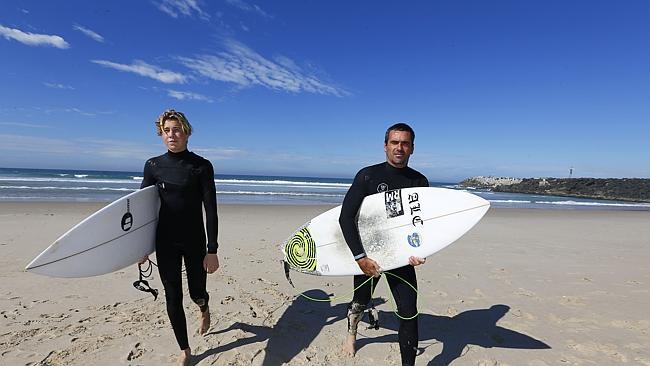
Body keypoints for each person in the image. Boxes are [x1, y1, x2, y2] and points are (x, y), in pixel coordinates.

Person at [339, 122, 429, 366]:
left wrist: (420, 252)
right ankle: (352, 333)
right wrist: (360, 257)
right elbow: (345, 217)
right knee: (360, 300)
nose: (399, 147)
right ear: (385, 146)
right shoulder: (368, 176)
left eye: (405, 143)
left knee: (409, 311)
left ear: (412, 148)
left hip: (401, 257)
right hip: (370, 254)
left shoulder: (419, 181)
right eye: (394, 142)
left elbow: (419, 226)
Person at [140, 109, 220, 366]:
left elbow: (211, 209)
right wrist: (139, 247)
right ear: (161, 135)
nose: (171, 135)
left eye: (175, 129)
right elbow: (142, 209)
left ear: (186, 132)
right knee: (172, 295)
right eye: (166, 131)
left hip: (195, 240)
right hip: (166, 241)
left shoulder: (201, 166)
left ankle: (204, 308)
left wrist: (212, 249)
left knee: (197, 291)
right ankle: (185, 350)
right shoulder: (153, 166)